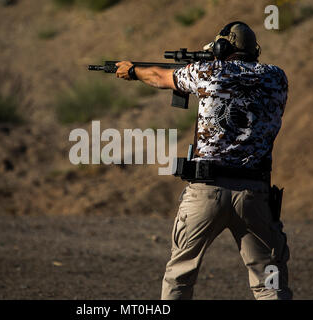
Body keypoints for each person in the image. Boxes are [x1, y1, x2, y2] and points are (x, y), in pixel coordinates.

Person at [115, 21, 292, 300]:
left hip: (206, 190)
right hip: (254, 193)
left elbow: (160, 77)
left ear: (222, 48)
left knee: (179, 277)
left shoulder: (206, 71)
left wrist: (134, 71)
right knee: (269, 282)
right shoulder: (276, 77)